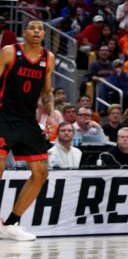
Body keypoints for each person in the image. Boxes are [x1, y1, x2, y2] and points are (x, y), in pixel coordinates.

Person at [0, 20, 53, 241]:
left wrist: (50, 112)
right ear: (25, 32)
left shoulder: (48, 58)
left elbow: (47, 91)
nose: (36, 31)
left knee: (41, 173)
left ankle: (12, 223)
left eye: (40, 29)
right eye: (32, 28)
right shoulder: (9, 52)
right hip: (3, 115)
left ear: (43, 34)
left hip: (27, 119)